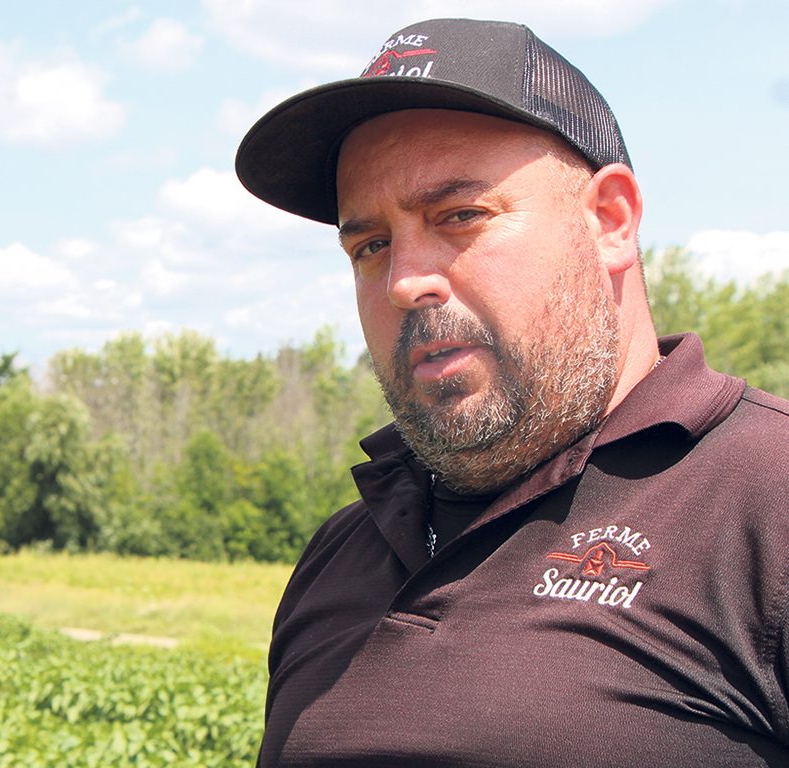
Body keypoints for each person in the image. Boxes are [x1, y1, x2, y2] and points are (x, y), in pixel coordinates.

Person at [234, 17, 789, 767]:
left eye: (459, 216)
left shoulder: (767, 497)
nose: (404, 281)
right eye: (371, 245)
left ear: (610, 221)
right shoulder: (340, 550)